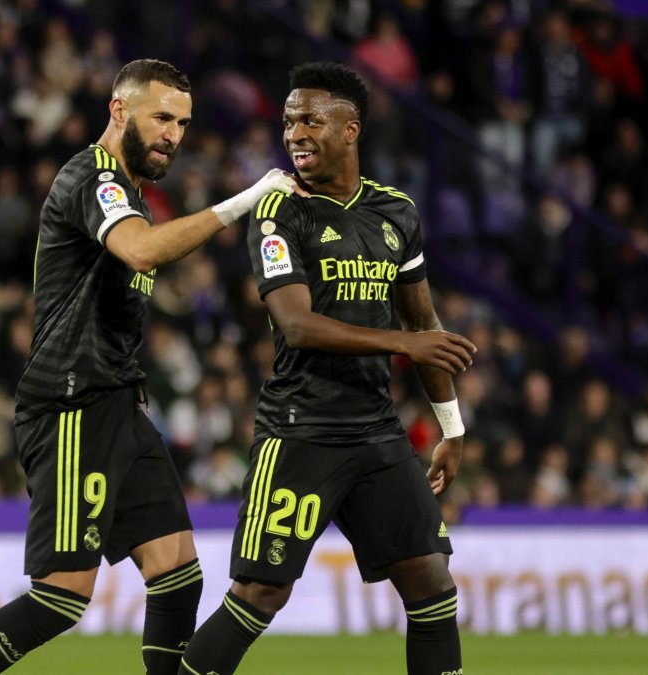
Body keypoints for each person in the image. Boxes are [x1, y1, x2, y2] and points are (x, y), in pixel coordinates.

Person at [0, 59, 301, 675]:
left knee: (179, 575)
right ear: (119, 111)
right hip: (71, 403)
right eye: (162, 117)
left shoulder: (128, 193)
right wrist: (245, 200)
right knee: (60, 597)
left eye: (183, 123)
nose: (173, 135)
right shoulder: (93, 177)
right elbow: (138, 250)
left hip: (120, 405)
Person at [179, 62, 475, 675]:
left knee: (431, 581)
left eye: (311, 119)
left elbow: (426, 328)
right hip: (300, 427)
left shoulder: (396, 213)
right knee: (262, 593)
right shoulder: (280, 211)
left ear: (351, 129)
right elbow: (297, 325)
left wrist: (451, 426)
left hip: (376, 430)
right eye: (288, 122)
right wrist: (405, 344)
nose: (294, 133)